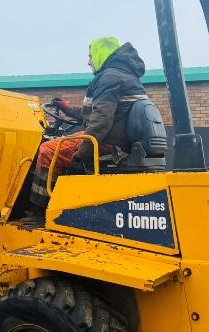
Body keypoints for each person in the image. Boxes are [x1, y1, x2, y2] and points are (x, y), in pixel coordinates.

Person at [29, 37, 151, 209]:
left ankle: (40, 209)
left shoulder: (109, 77)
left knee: (47, 150)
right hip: (119, 139)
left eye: (90, 56)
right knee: (64, 145)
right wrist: (66, 109)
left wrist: (82, 152)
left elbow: (101, 121)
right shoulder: (124, 75)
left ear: (101, 54)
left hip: (108, 142)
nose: (88, 62)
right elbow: (95, 113)